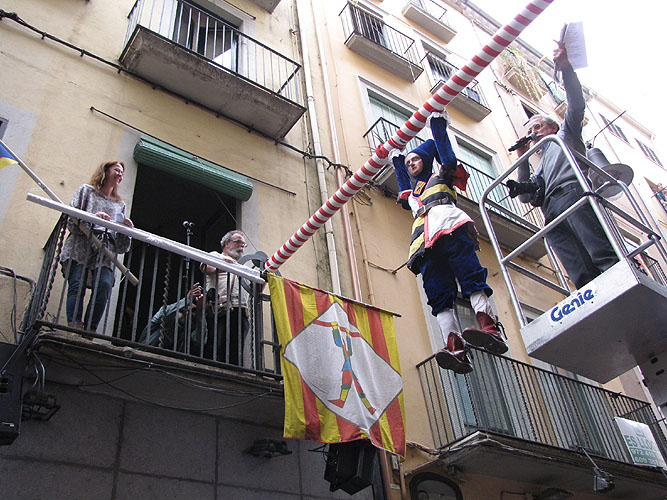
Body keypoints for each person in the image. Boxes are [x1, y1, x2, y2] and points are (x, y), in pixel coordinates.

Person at [391, 112, 508, 375]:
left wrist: (437, 124)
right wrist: (397, 157)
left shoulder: (441, 175)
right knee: (438, 295)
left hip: (450, 228)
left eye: (415, 159)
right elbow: (402, 187)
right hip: (424, 246)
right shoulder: (413, 195)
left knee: (469, 274)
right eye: (408, 162)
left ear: (426, 160)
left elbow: (448, 158)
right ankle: (455, 346)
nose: (411, 164)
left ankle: (489, 326)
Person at [507, 45, 618, 289]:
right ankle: (591, 293)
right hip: (550, 211)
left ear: (553, 127)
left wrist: (566, 68)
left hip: (571, 193)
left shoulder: (565, 136)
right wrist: (522, 157)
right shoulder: (540, 165)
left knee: (600, 251)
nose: (533, 133)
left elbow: (576, 106)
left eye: (537, 127)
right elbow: (525, 196)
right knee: (578, 270)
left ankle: (620, 282)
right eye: (530, 130)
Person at [60, 161, 134, 331]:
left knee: (104, 285)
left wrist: (126, 230)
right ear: (105, 171)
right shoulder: (86, 191)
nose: (120, 174)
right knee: (77, 284)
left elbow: (121, 246)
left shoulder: (120, 205)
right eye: (117, 170)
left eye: (122, 173)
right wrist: (93, 217)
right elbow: (71, 218)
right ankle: (74, 326)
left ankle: (90, 329)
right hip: (81, 244)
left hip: (105, 250)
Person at [200, 230, 250, 365]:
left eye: (243, 244)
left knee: (236, 350)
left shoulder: (243, 267)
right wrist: (225, 264)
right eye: (238, 242)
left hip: (240, 310)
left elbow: (254, 289)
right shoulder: (216, 255)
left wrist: (264, 278)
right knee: (217, 345)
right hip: (220, 308)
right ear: (227, 244)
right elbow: (206, 268)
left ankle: (234, 371)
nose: (241, 245)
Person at [138, 282, 207, 353]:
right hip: (142, 355)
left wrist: (200, 311)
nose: (188, 314)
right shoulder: (164, 320)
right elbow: (162, 313)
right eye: (183, 311)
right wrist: (186, 300)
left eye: (192, 313)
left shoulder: (187, 329)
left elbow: (200, 341)